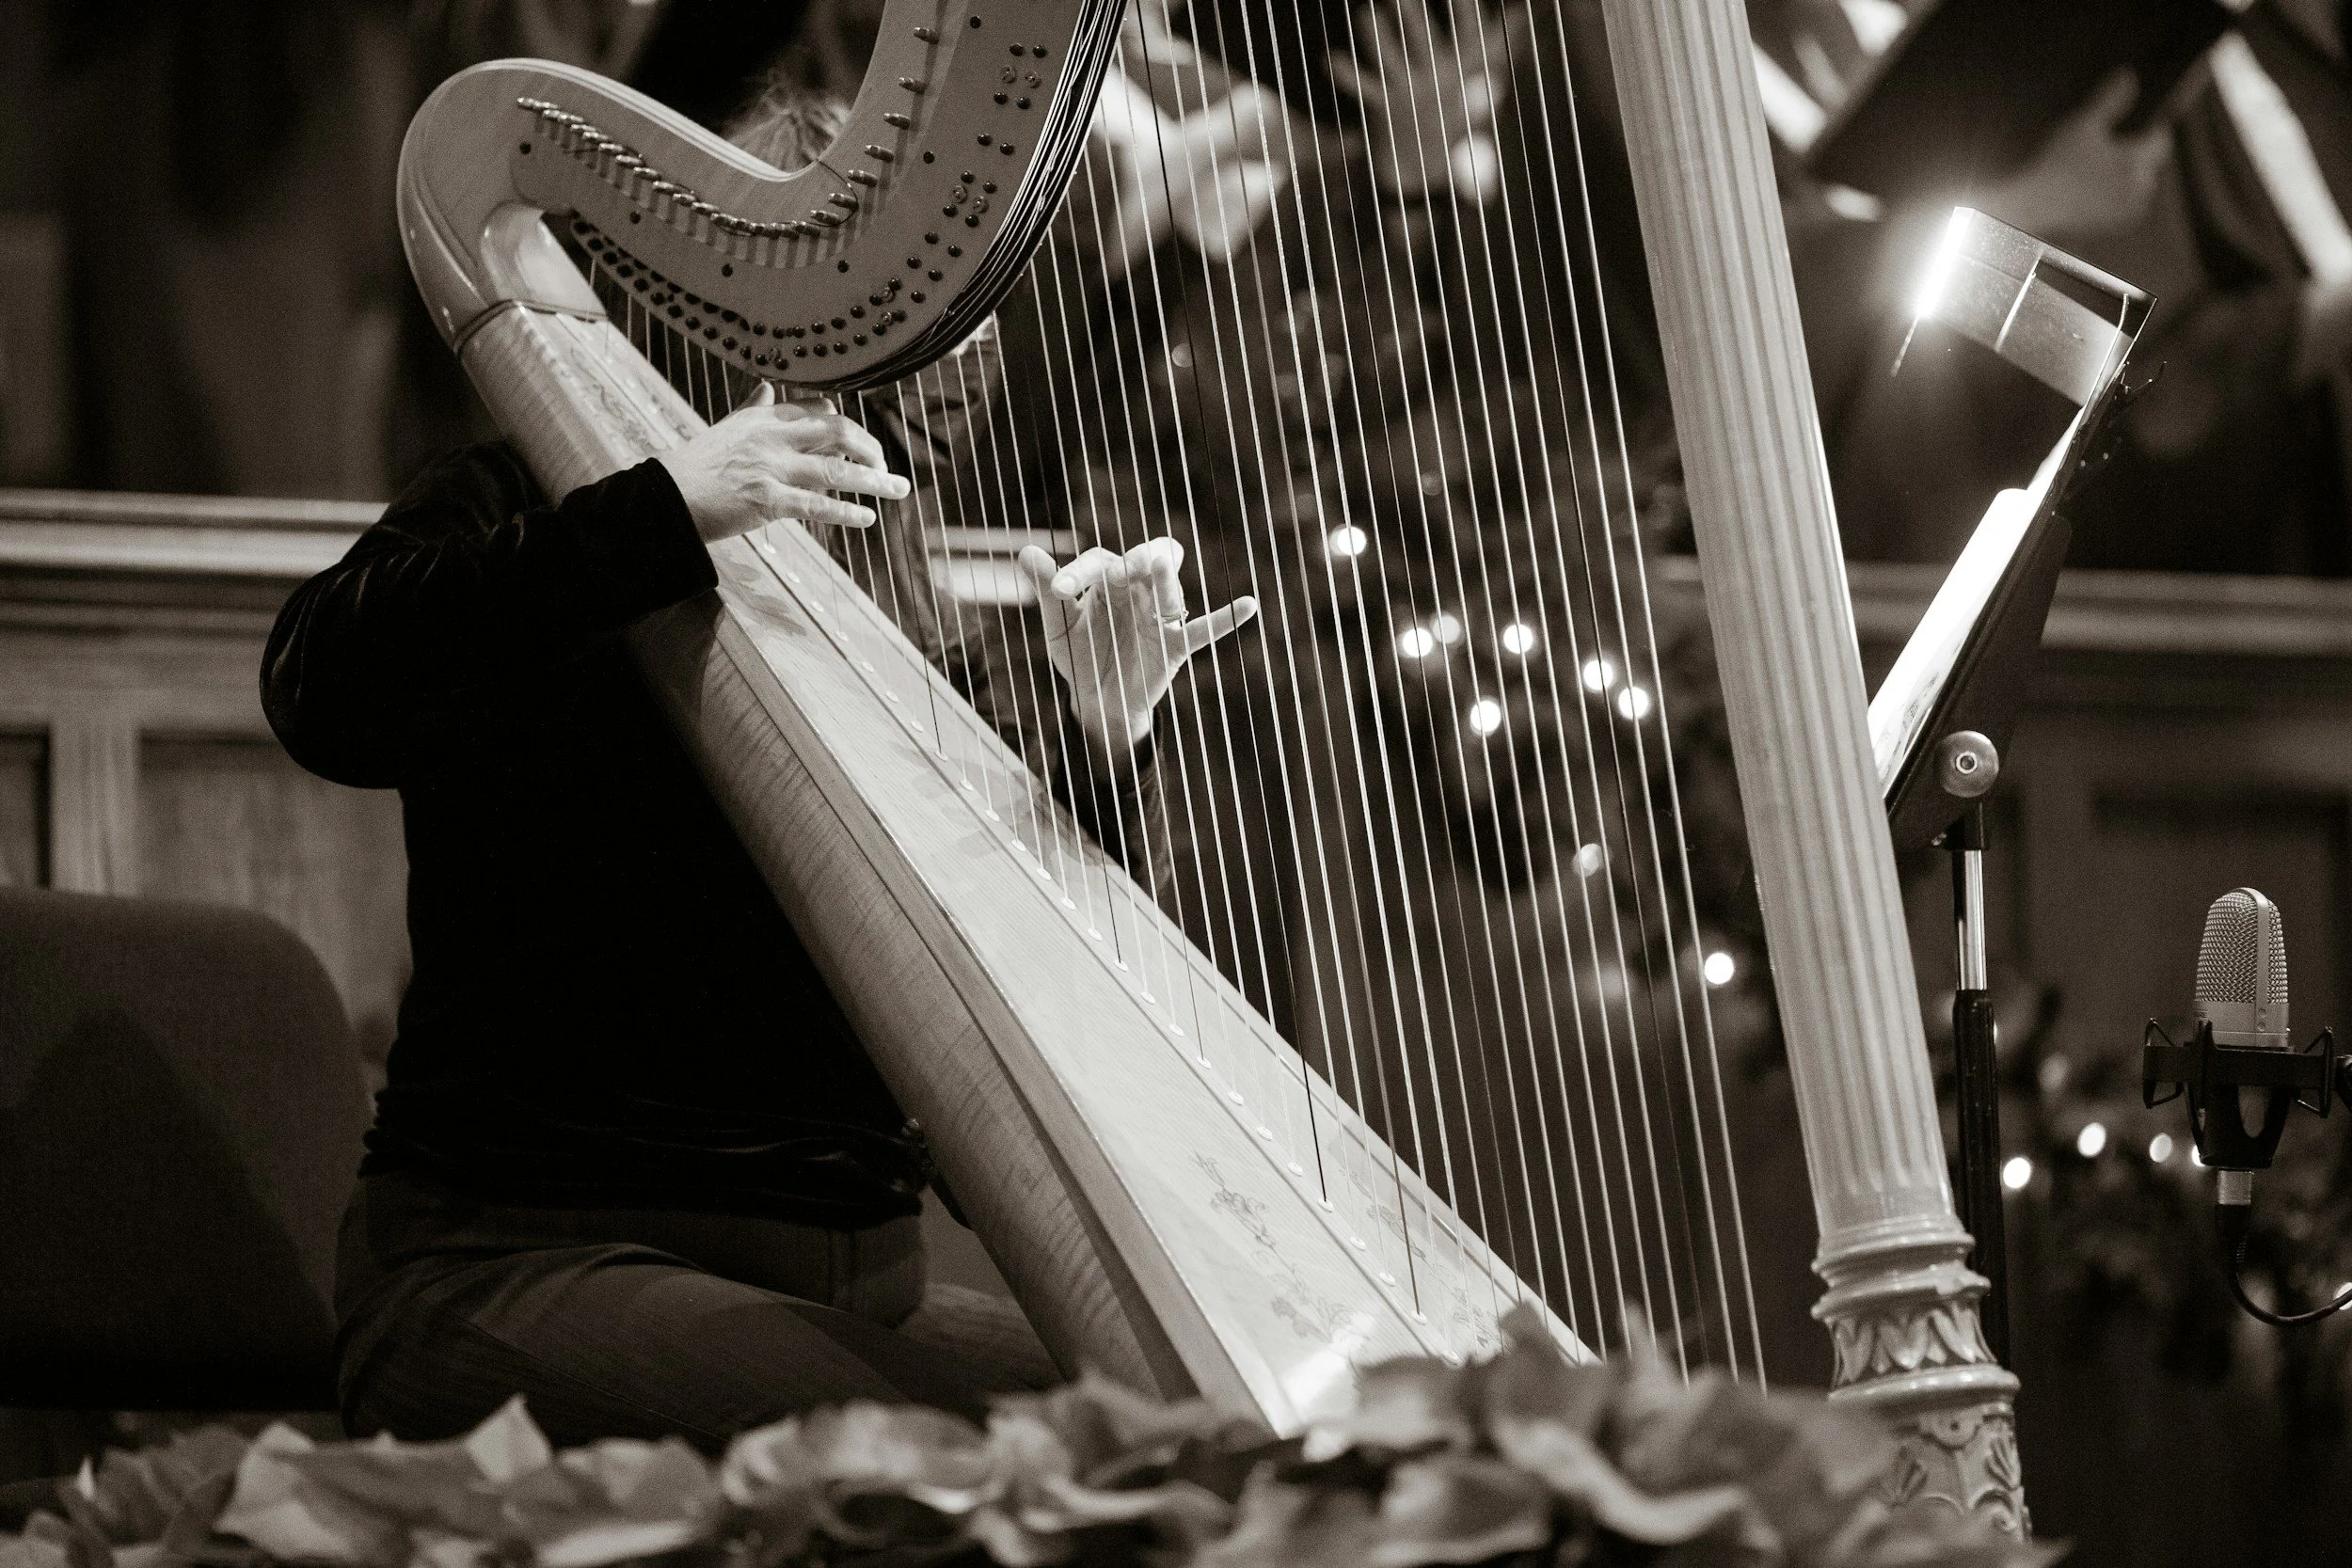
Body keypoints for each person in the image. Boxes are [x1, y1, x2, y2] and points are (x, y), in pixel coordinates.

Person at [265, 80, 1258, 1450]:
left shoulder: (889, 633)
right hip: (512, 1268)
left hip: (849, 1301)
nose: (960, 366)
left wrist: (1099, 736)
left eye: (968, 323)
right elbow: (317, 684)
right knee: (1037, 1466)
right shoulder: (528, 506)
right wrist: (667, 508)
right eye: (913, 323)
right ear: (743, 315)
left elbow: (1014, 1049)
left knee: (1246, 1438)